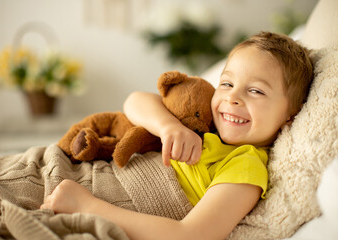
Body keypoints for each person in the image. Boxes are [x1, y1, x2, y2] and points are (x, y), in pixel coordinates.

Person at [40, 32, 313, 240]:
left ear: (291, 113)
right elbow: (134, 101)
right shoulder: (203, 120)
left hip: (95, 197)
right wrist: (168, 126)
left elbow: (191, 235)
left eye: (256, 91)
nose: (232, 98)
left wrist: (86, 206)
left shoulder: (246, 164)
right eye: (227, 83)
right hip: (82, 171)